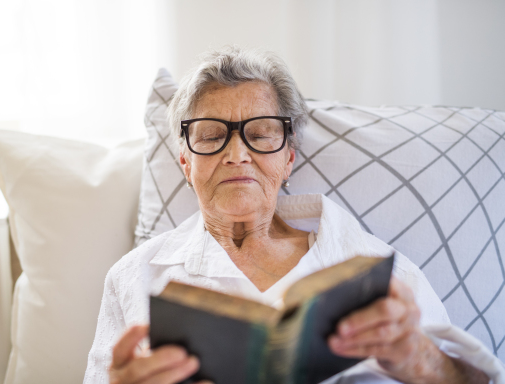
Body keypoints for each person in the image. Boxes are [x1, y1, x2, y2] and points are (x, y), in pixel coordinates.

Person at [84, 46, 501, 384]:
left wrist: (421, 359)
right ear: (184, 163)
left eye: (261, 133)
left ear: (288, 158)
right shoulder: (132, 277)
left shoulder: (380, 273)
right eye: (211, 136)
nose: (237, 154)